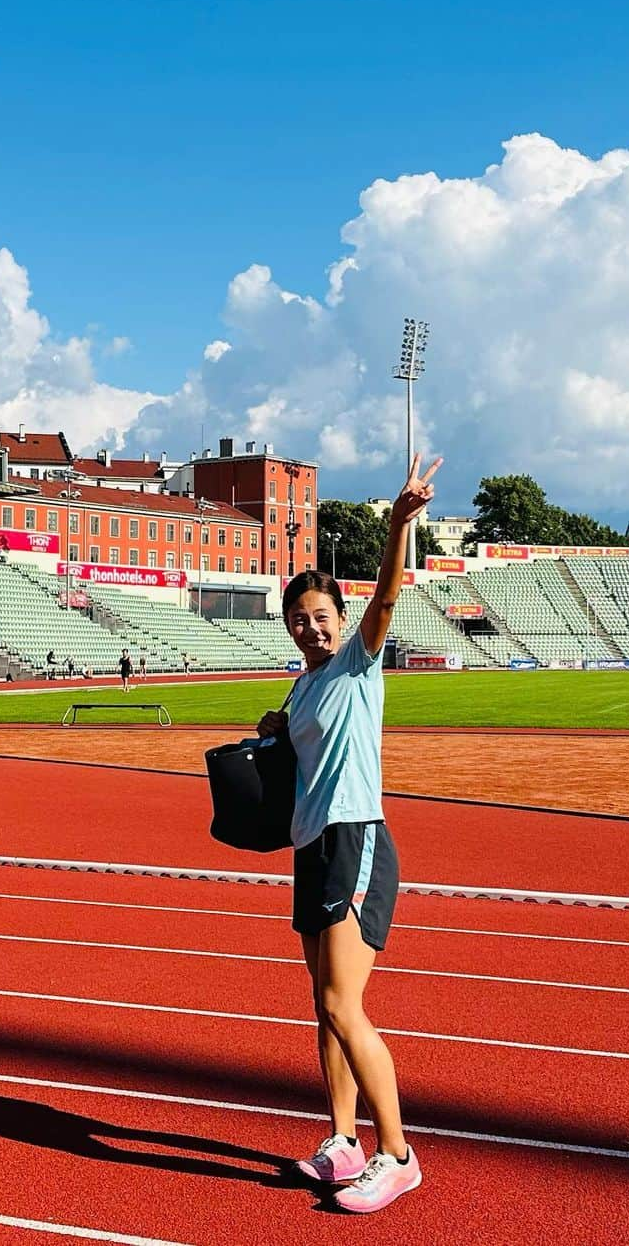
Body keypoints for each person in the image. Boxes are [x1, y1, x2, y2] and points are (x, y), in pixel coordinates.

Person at [257, 454, 441, 1214]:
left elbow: (388, 598)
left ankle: (397, 1154)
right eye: (298, 617)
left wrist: (398, 527)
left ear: (340, 616)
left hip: (356, 837)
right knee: (321, 1002)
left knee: (344, 1003)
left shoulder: (360, 661)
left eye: (320, 615)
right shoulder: (302, 684)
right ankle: (343, 1140)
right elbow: (303, 747)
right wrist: (274, 727)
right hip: (312, 847)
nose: (310, 625)